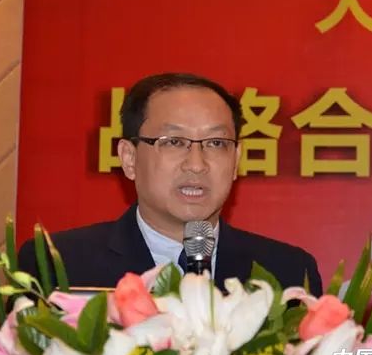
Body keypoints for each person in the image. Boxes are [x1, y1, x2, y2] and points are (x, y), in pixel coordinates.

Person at [18, 73, 322, 295]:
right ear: (129, 158)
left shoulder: (288, 272)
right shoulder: (58, 263)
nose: (196, 164)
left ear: (236, 160)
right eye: (174, 142)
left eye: (216, 143)